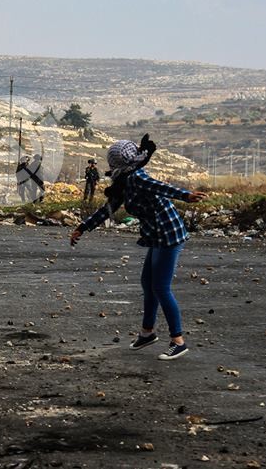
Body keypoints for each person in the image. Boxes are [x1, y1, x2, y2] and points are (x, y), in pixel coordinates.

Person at [70, 137, 206, 361]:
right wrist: (83, 228)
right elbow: (108, 209)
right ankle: (147, 333)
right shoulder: (124, 181)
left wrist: (186, 196)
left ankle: (178, 341)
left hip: (168, 233)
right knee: (148, 284)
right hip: (156, 235)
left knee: (161, 287)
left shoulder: (137, 177)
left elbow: (160, 187)